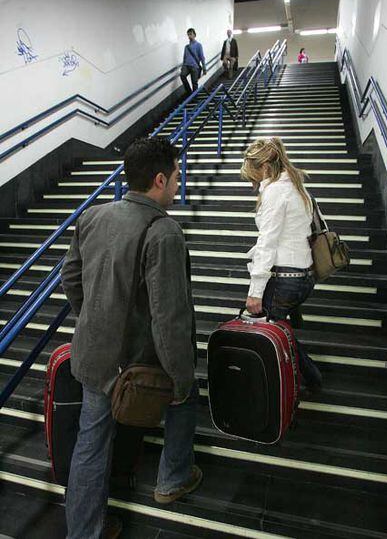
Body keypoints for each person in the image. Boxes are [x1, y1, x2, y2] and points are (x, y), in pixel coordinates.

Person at [61, 137, 202, 539]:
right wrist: (181, 378)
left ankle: (84, 533)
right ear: (159, 179)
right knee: (185, 394)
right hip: (135, 365)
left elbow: (70, 277)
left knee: (90, 445)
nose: (178, 184)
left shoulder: (93, 216)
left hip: (91, 357)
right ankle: (172, 479)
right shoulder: (164, 232)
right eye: (176, 177)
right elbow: (169, 317)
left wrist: (93, 317)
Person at [241, 137, 322, 391]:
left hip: (285, 278)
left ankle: (302, 380)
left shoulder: (276, 191)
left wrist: (255, 292)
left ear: (264, 167)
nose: (254, 183)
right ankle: (298, 379)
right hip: (303, 275)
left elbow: (268, 241)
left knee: (270, 331)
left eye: (253, 175)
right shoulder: (297, 186)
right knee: (279, 329)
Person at [180, 28, 207, 95]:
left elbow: (202, 57)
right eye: (188, 35)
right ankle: (189, 93)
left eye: (191, 34)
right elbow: (184, 57)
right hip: (186, 65)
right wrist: (183, 66)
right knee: (182, 75)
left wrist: (204, 68)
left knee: (194, 83)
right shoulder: (186, 47)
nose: (189, 36)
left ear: (194, 35)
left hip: (195, 66)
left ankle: (194, 97)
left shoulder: (198, 45)